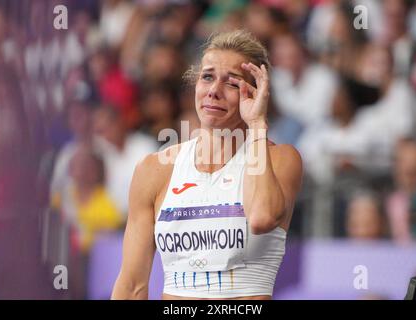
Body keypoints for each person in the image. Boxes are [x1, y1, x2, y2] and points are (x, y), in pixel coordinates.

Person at [111, 30, 303, 300]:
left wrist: (257, 123)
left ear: (256, 94)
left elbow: (261, 218)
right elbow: (132, 286)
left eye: (233, 83)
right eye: (208, 77)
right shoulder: (154, 169)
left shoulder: (281, 159)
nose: (214, 91)